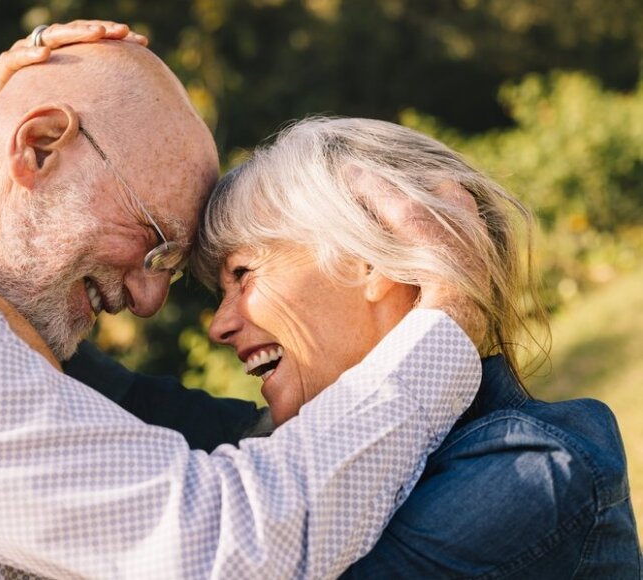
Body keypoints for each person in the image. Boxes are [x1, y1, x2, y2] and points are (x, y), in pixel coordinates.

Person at [0, 22, 484, 579]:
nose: (146, 298)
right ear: (39, 148)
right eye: (154, 243)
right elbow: (227, 546)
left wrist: (2, 123)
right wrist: (447, 314)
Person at [190, 117, 640, 576]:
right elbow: (124, 409)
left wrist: (448, 296)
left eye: (243, 274)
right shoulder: (291, 450)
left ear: (369, 260)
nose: (220, 326)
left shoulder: (529, 468)